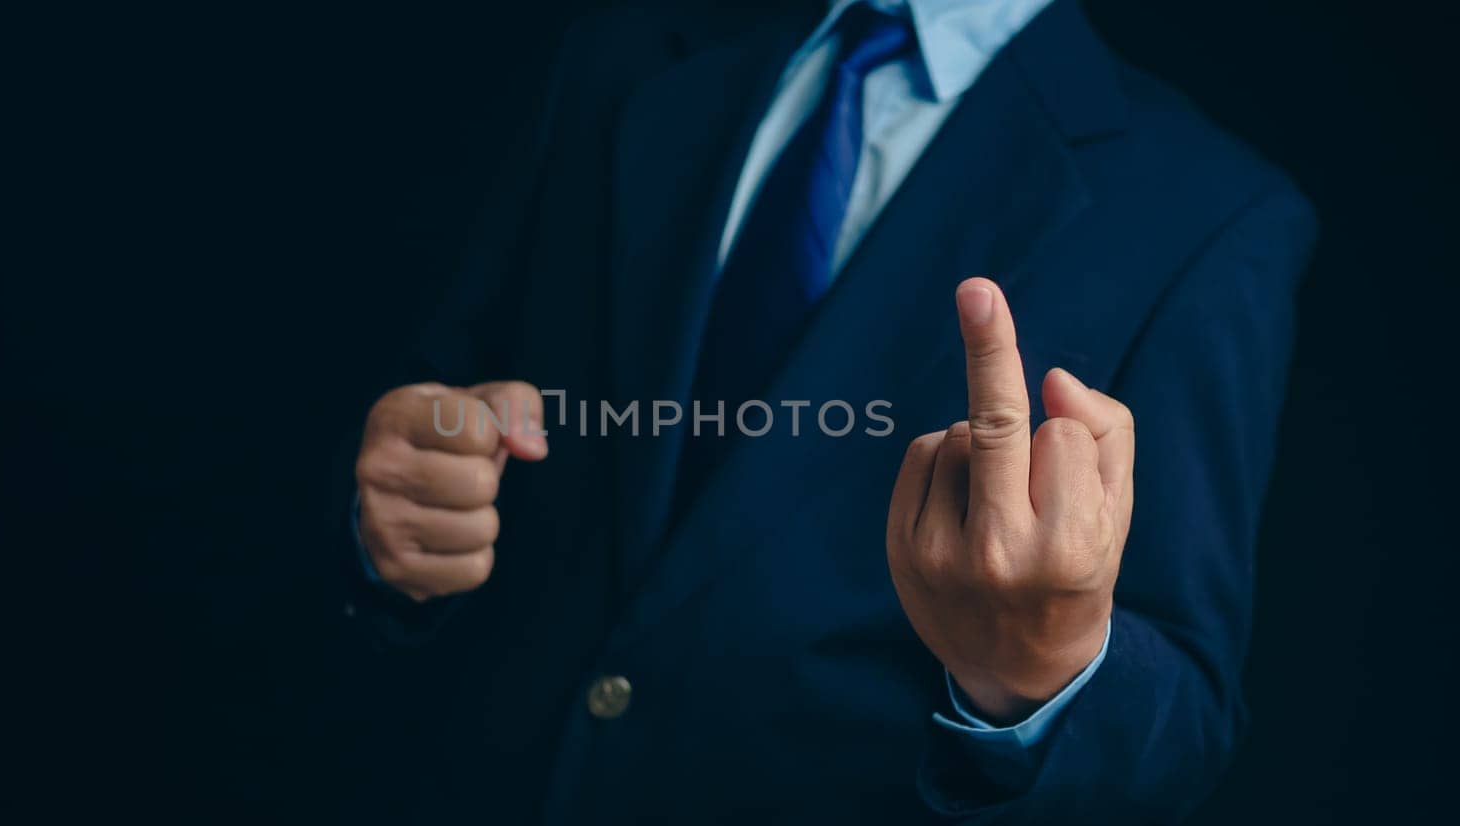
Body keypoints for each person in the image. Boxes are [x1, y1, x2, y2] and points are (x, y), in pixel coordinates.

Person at [342, 0, 1317, 821]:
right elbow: (438, 402)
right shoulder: (623, 46)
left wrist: (1044, 669)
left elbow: (1183, 723)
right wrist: (392, 511)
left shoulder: (1210, 212)